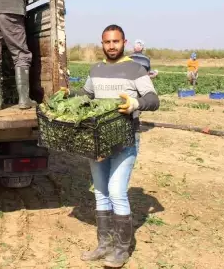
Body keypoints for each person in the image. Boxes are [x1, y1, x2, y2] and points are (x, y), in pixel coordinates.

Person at [76, 25, 160, 268]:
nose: (111, 46)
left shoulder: (136, 69)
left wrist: (135, 103)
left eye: (115, 41)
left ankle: (122, 250)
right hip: (97, 141)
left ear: (124, 42)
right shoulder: (96, 69)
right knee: (101, 193)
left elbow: (153, 99)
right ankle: (104, 245)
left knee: (116, 191)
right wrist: (70, 95)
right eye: (106, 42)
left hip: (124, 140)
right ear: (102, 44)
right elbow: (87, 94)